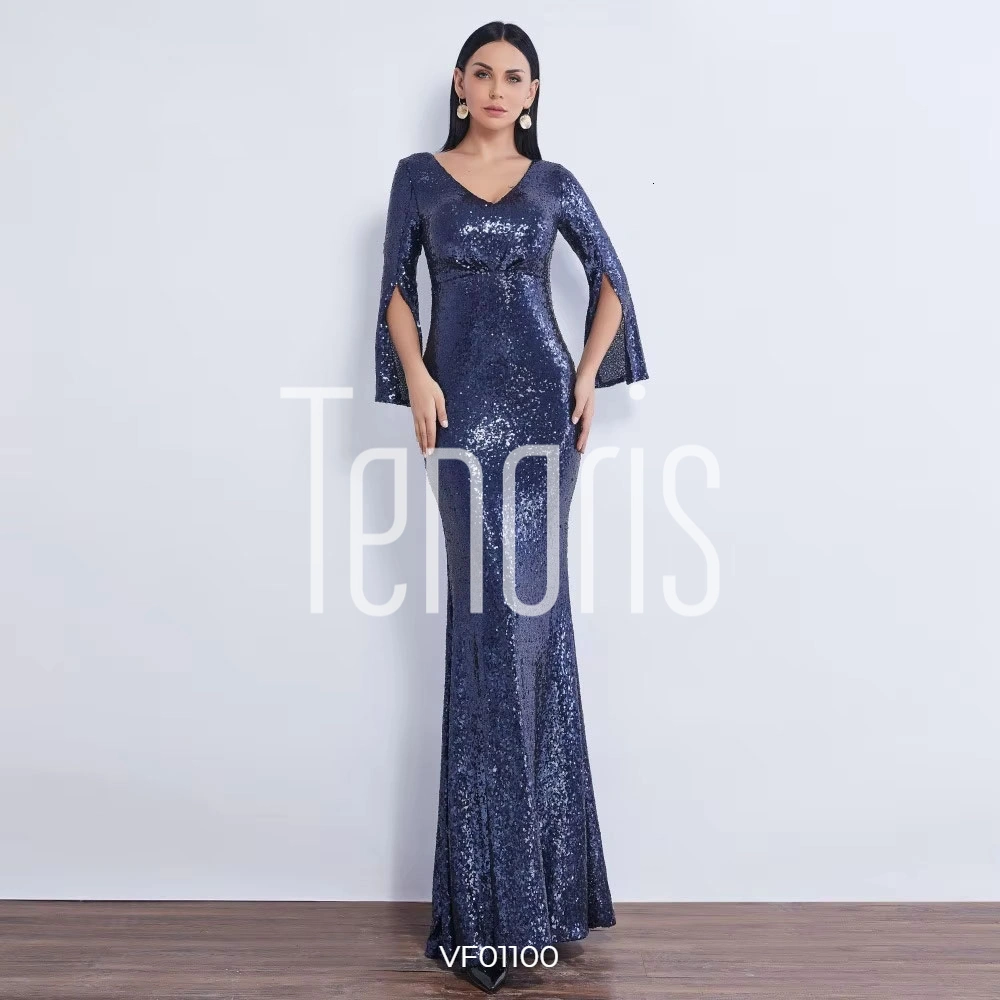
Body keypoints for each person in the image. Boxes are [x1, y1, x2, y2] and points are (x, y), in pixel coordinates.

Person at [374, 20, 649, 994]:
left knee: (533, 628)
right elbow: (397, 289)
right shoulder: (418, 178)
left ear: (532, 94)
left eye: (515, 76)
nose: (498, 88)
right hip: (460, 413)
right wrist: (418, 376)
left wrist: (584, 376)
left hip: (540, 414)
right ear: (460, 84)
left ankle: (543, 899)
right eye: (483, 73)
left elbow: (612, 283)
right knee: (483, 626)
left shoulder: (554, 184)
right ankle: (493, 908)